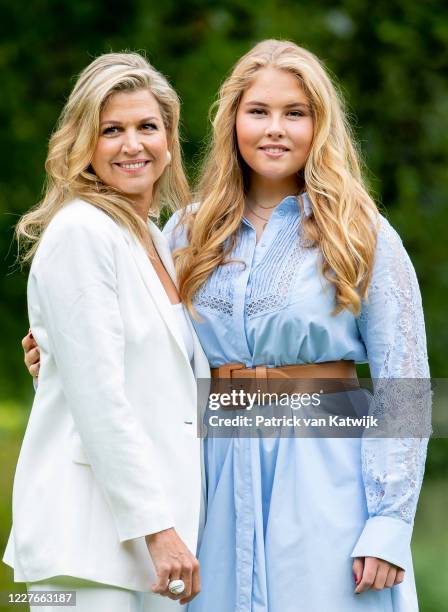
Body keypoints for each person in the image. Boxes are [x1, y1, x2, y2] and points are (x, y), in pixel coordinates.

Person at [22, 40, 430, 611]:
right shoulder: (187, 233)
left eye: (295, 113)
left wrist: (388, 522)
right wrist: (56, 355)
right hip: (212, 477)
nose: (274, 130)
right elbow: (139, 343)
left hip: (325, 475)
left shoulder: (361, 230)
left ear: (321, 125)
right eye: (258, 111)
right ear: (232, 120)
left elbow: (403, 386)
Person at [5, 52, 210, 612]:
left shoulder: (157, 239)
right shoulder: (81, 231)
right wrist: (158, 529)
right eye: (110, 130)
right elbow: (100, 399)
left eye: (147, 126)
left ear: (169, 138)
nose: (132, 144)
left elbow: (163, 382)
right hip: (84, 539)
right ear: (83, 144)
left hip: (148, 546)